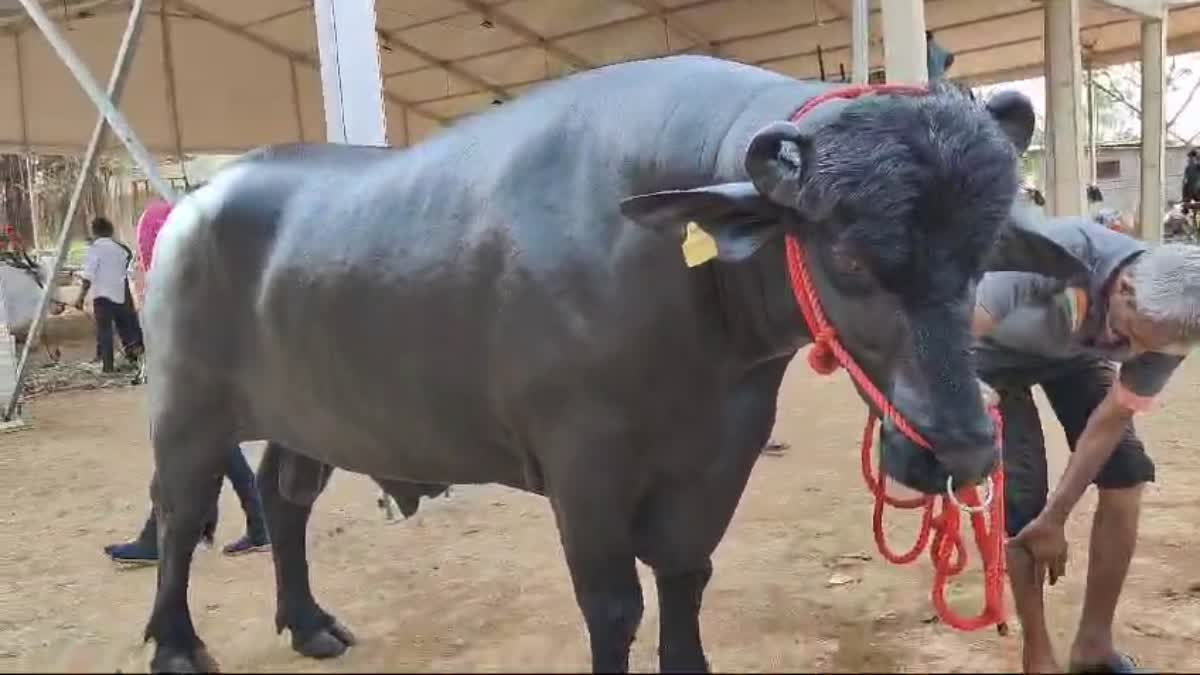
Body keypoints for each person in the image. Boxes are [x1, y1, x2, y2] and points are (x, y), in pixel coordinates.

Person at [971, 210, 1200, 673]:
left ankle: (1092, 647)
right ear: (1125, 288)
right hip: (987, 352)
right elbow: (954, 326)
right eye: (1129, 336)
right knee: (1021, 497)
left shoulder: (1170, 330)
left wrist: (1058, 517)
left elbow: (1109, 420)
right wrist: (956, 386)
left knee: (1126, 471)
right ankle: (1037, 655)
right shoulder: (1057, 251)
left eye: (1144, 349)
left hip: (1071, 358)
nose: (1131, 354)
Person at [104, 190, 271, 565]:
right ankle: (254, 523)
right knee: (218, 450)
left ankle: (160, 537)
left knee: (184, 449)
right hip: (217, 371)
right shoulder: (216, 259)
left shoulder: (195, 270)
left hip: (207, 373)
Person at [74, 217, 143, 373]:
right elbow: (127, 261)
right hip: (120, 294)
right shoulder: (120, 249)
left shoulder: (95, 249)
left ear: (94, 231)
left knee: (104, 331)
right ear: (110, 231)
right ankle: (135, 361)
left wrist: (80, 298)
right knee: (125, 328)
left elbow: (88, 276)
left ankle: (108, 367)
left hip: (102, 296)